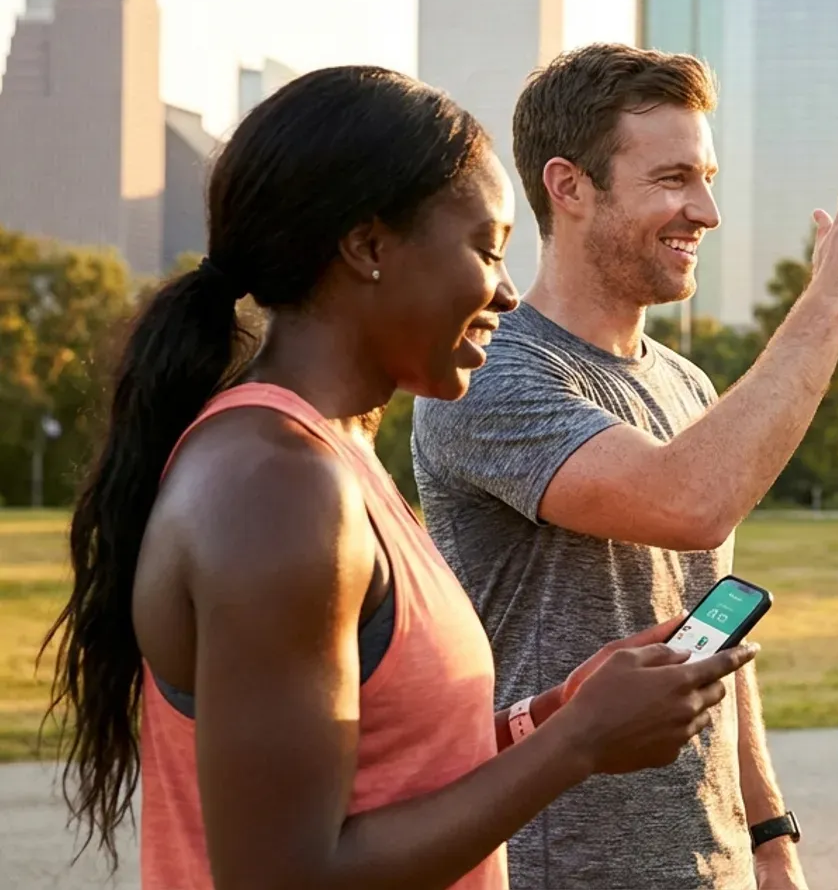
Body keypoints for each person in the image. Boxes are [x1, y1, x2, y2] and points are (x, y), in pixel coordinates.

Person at [42, 66, 753, 890]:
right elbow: (286, 876)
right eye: (486, 250)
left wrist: (558, 713)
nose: (508, 294)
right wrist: (578, 745)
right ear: (369, 246)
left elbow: (387, 776)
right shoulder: (273, 489)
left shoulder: (331, 458)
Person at [409, 43, 838, 889]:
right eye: (673, 179)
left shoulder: (687, 384)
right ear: (568, 187)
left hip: (707, 865)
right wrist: (831, 298)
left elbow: (710, 615)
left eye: (707, 176)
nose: (707, 210)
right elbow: (690, 504)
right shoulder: (493, 374)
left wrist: (768, 835)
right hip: (558, 869)